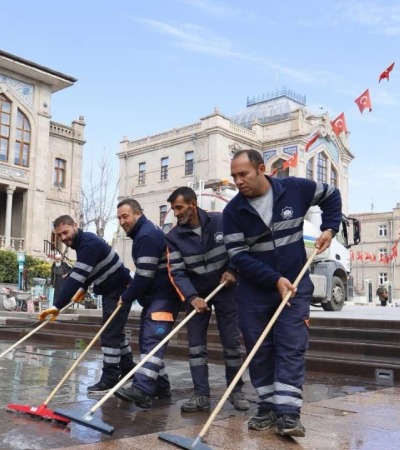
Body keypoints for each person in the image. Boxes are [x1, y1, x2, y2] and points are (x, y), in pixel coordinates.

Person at [223, 149, 341, 437]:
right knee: (259, 350)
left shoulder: (294, 189)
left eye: (243, 174)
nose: (238, 181)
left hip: (296, 288)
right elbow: (238, 256)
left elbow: (332, 195)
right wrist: (274, 279)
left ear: (262, 169)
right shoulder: (233, 211)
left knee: (290, 347)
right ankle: (266, 407)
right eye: (234, 176)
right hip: (254, 292)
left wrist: (330, 228)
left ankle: (288, 414)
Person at [164, 186, 250, 413]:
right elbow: (177, 272)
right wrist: (192, 297)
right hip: (196, 293)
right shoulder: (173, 237)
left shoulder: (221, 221)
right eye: (174, 209)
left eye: (179, 208)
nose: (176, 213)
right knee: (196, 347)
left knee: (231, 343)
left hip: (225, 289)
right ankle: (201, 395)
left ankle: (236, 391)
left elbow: (239, 248)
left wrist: (232, 269)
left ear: (193, 204)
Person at [39, 215, 135, 394]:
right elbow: (89, 268)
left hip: (119, 290)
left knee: (109, 334)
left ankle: (110, 378)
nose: (63, 238)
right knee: (115, 331)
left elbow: (76, 277)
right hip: (111, 289)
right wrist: (84, 287)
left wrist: (57, 306)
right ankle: (128, 368)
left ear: (75, 225)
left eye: (65, 232)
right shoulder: (82, 243)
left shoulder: (88, 244)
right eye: (59, 235)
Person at [112, 199, 179, 409]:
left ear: (138, 213)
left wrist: (126, 296)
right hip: (156, 298)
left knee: (152, 341)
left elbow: (144, 275)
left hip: (163, 299)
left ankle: (142, 390)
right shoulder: (144, 233)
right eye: (119, 218)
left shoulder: (146, 236)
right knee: (148, 342)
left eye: (125, 216)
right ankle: (161, 387)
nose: (122, 221)